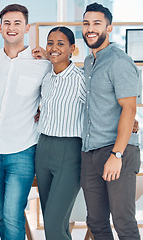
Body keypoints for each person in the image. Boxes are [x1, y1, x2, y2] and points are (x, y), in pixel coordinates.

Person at [0, 4, 51, 240]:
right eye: (7, 23)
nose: (12, 27)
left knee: (13, 215)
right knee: (0, 216)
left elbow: (61, 96)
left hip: (22, 151)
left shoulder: (43, 64)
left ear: (27, 28)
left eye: (17, 23)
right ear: (0, 28)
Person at [81, 3, 141, 240]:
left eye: (97, 23)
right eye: (86, 23)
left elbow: (129, 109)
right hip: (90, 152)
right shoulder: (88, 62)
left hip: (117, 151)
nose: (90, 29)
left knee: (123, 222)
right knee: (96, 222)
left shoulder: (119, 61)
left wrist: (116, 155)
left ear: (109, 27)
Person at [33, 27, 86, 240]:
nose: (54, 48)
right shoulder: (46, 78)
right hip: (43, 148)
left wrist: (131, 120)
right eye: (50, 43)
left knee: (54, 224)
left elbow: (102, 106)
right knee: (53, 222)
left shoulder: (81, 79)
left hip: (69, 151)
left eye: (61, 44)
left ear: (72, 48)